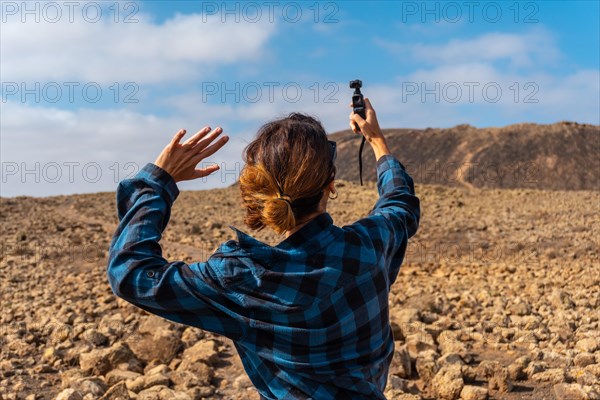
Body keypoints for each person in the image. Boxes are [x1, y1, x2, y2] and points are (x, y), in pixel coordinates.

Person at [107, 98, 420, 400]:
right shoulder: (370, 245)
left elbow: (131, 273)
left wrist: (157, 183)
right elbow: (399, 203)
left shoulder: (244, 277)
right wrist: (377, 140)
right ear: (331, 184)